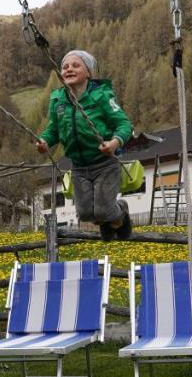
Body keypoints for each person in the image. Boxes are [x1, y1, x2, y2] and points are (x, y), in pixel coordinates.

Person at [36, 50, 134, 240]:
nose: (69, 69)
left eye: (75, 65)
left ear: (89, 72)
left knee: (104, 210)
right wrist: (45, 141)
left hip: (104, 163)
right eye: (65, 67)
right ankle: (110, 222)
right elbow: (53, 129)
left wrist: (114, 143)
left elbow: (125, 125)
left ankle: (120, 210)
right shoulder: (58, 101)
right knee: (85, 214)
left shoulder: (101, 96)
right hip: (79, 167)